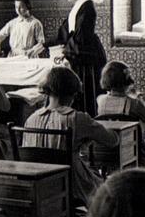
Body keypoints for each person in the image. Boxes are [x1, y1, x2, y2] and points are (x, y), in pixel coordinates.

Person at [23, 67, 117, 206]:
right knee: (108, 189)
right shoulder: (77, 118)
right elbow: (112, 141)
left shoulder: (31, 119)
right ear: (73, 92)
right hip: (71, 185)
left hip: (39, 186)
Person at [45, 0, 108, 116]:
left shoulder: (87, 7)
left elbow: (82, 37)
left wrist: (66, 52)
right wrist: (44, 44)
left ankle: (86, 120)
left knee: (86, 90)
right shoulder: (77, 8)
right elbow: (64, 33)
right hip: (79, 52)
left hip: (86, 53)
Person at [97, 60, 145, 170]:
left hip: (105, 152)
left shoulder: (100, 100)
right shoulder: (134, 104)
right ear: (127, 81)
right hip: (130, 151)